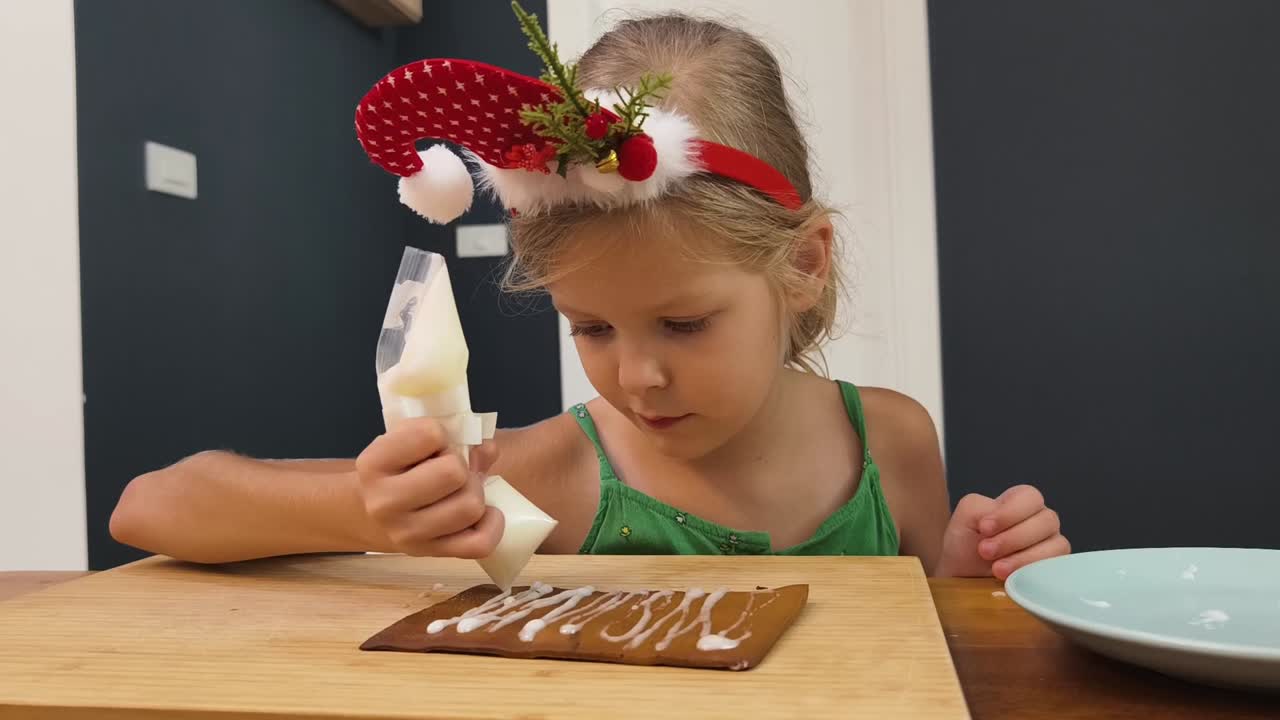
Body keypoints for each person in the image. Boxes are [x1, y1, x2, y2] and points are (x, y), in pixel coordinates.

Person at [110, 9, 1068, 580]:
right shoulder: (561, 475)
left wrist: (969, 580)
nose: (637, 374)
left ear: (805, 264)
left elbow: (918, 651)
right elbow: (152, 507)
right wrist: (374, 515)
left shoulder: (891, 443)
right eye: (592, 327)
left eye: (685, 322)